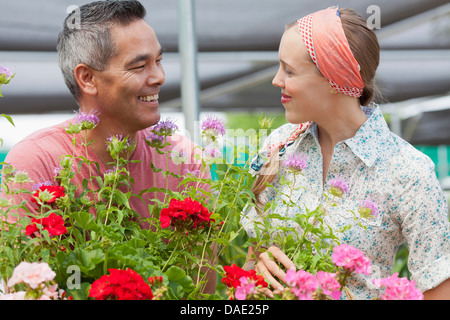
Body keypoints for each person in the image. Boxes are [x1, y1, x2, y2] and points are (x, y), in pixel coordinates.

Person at [0, 0, 215, 291]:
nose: (159, 77)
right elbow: (26, 290)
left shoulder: (185, 159)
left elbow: (202, 290)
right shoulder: (36, 161)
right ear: (87, 78)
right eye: (139, 65)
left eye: (159, 61)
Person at [241, 6, 450, 299]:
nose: (277, 79)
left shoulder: (408, 171)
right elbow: (254, 256)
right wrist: (257, 269)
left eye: (289, 69)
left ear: (334, 78)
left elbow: (439, 288)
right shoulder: (278, 145)